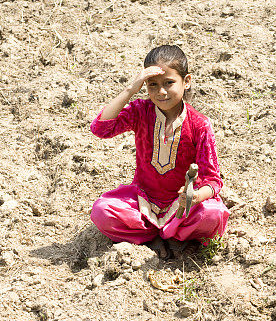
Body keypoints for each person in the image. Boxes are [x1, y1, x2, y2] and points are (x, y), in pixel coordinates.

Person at [89, 45, 229, 249]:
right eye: (152, 85)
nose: (161, 92)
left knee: (212, 215)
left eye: (169, 83)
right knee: (103, 211)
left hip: (183, 207)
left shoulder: (200, 124)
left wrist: (196, 196)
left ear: (186, 81)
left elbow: (212, 179)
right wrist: (130, 89)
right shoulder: (140, 112)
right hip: (144, 202)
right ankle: (156, 237)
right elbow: (100, 128)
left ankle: (174, 236)